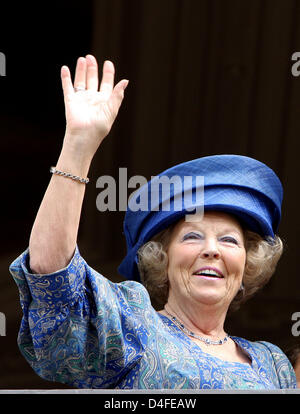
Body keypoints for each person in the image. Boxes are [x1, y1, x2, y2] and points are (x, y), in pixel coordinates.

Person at [9, 55, 296, 389]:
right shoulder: (135, 325)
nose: (211, 250)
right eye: (192, 237)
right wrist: (78, 147)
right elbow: (54, 279)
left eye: (229, 240)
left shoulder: (274, 364)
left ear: (248, 263)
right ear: (163, 257)